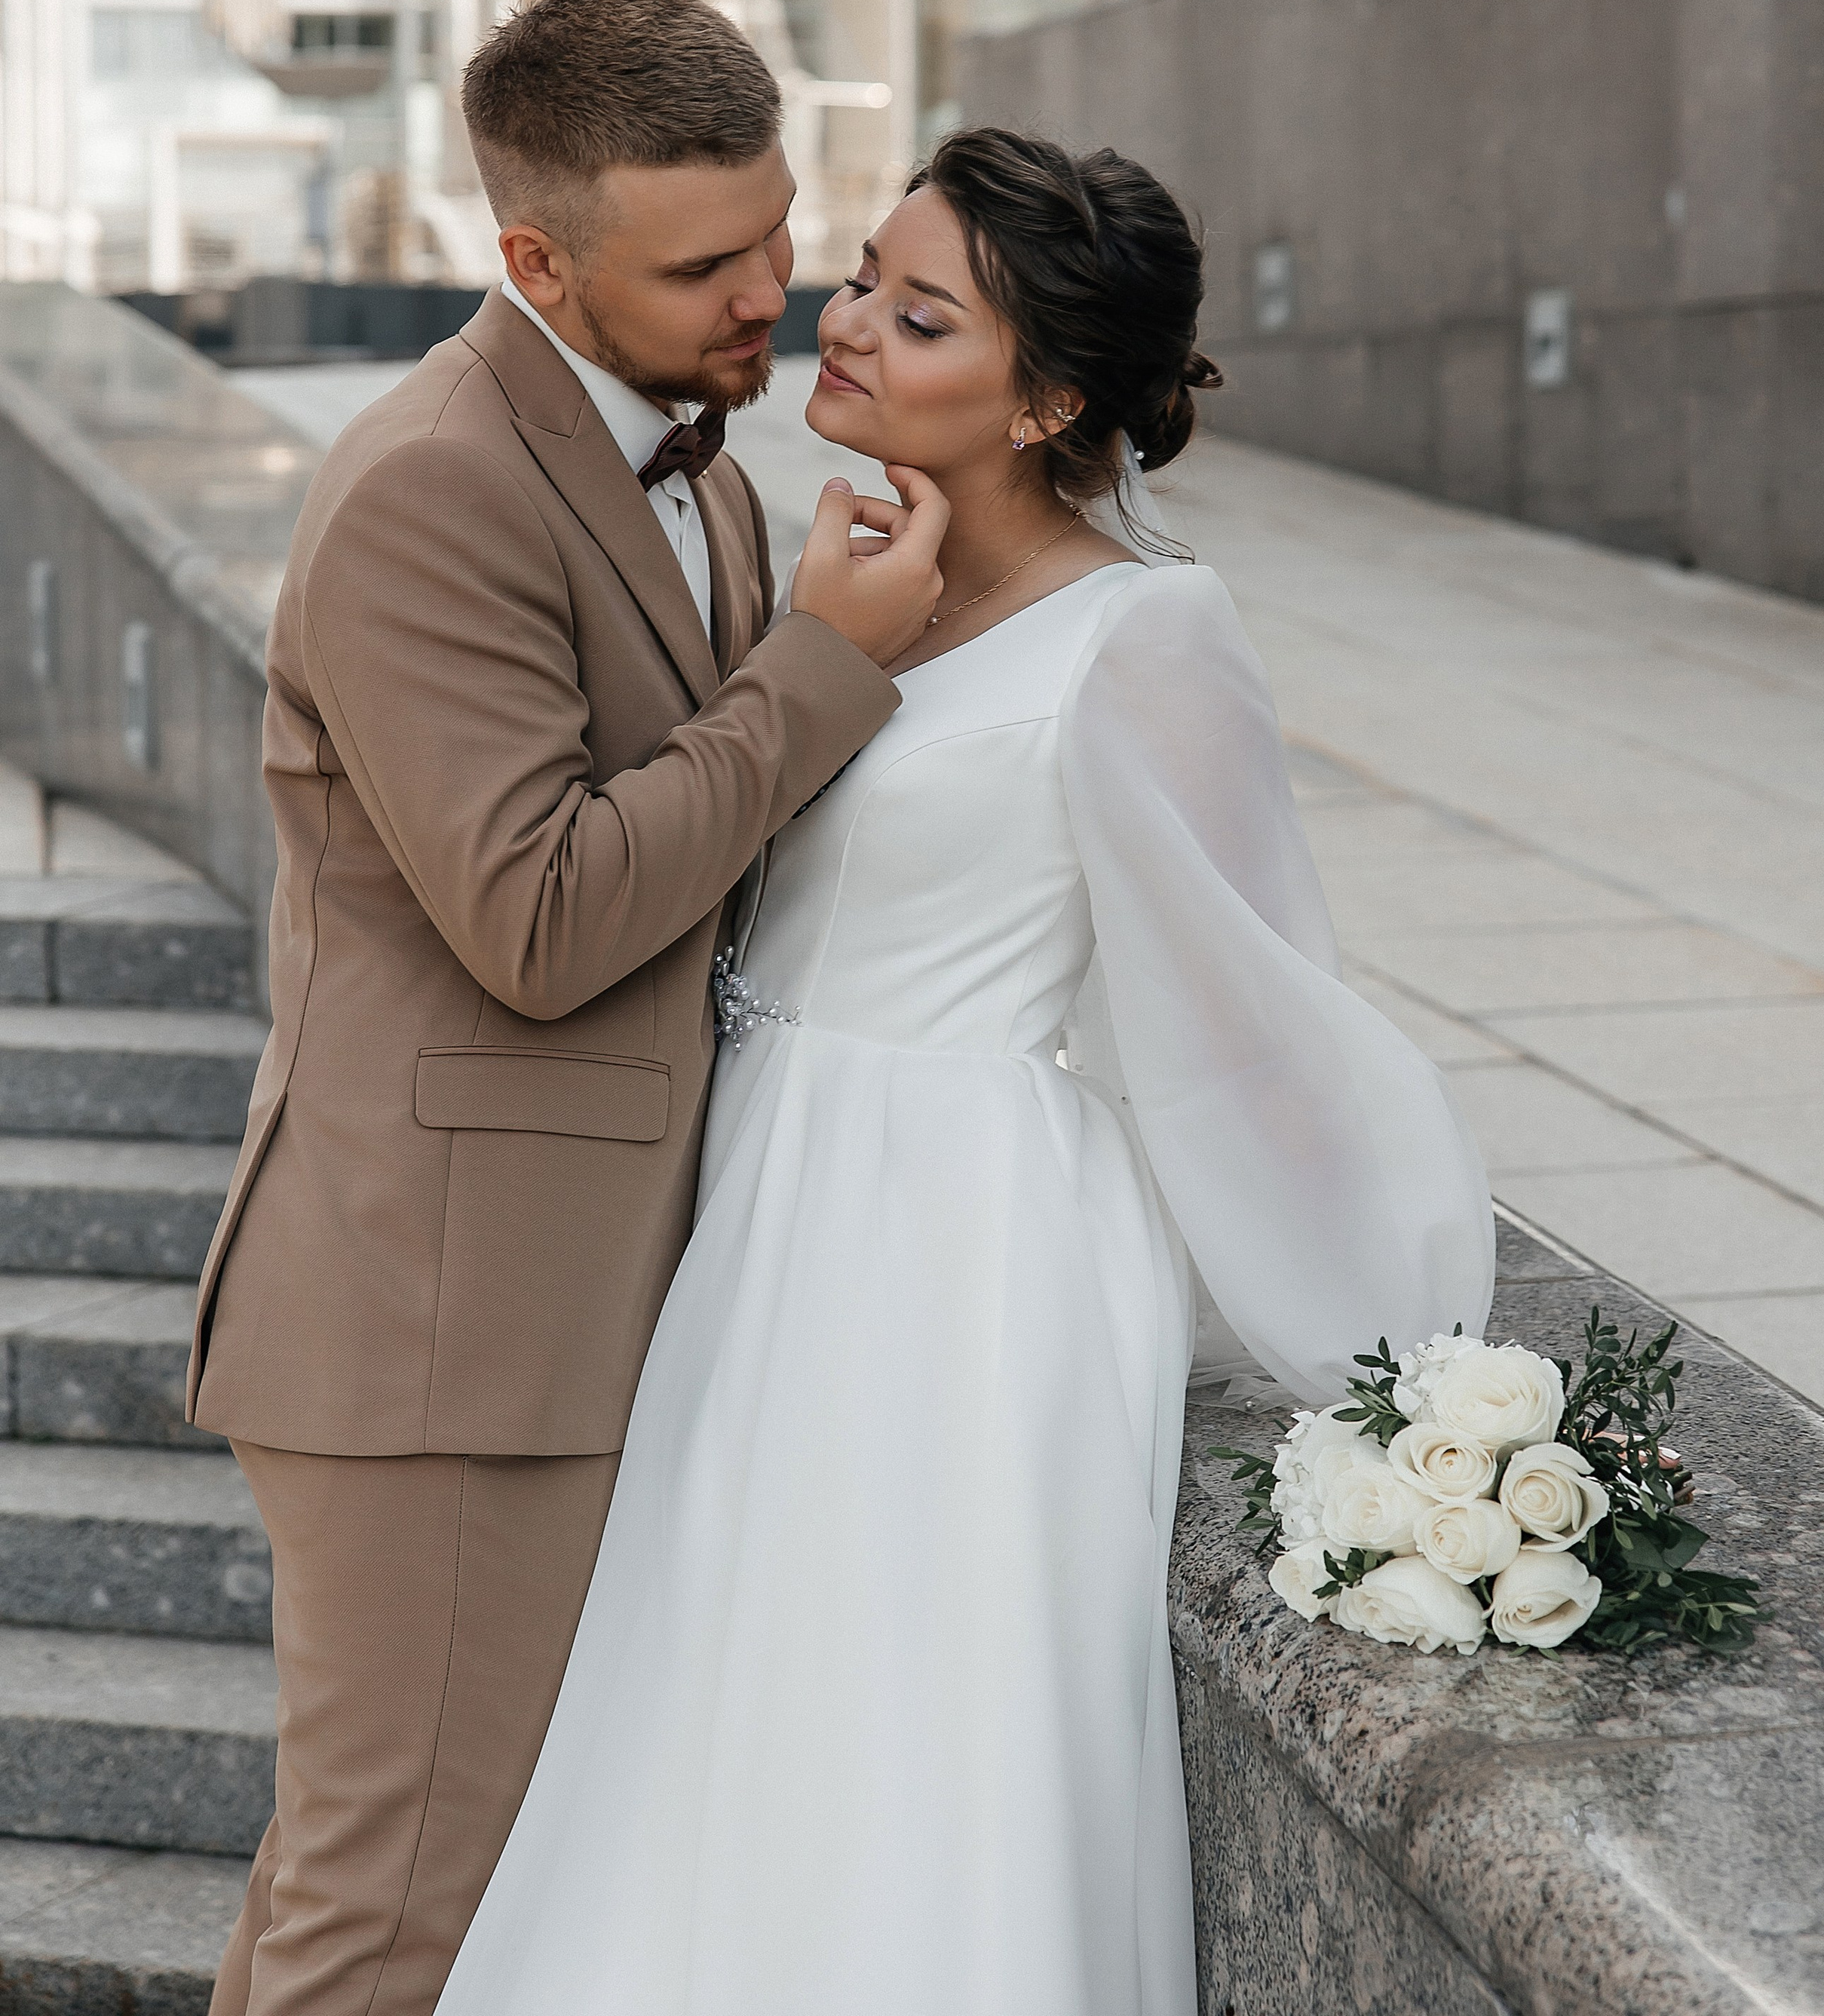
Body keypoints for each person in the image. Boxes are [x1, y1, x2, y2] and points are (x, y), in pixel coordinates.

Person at [437, 124, 1495, 2016]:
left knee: (902, 1758)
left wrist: (1414, 1387)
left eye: (915, 318)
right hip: (763, 1204)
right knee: (706, 1737)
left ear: (1048, 400)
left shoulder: (1148, 631)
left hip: (952, 1243)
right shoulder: (847, 564)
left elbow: (1259, 1019)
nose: (838, 324)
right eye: (860, 278)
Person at [192, 0, 948, 2015]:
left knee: (363, 1881)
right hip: (442, 1333)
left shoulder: (689, 461)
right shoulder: (436, 483)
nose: (773, 295)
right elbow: (534, 911)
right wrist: (826, 665)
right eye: (706, 263)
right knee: (402, 1917)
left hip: (550, 1309)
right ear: (532, 258)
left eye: (786, 232)